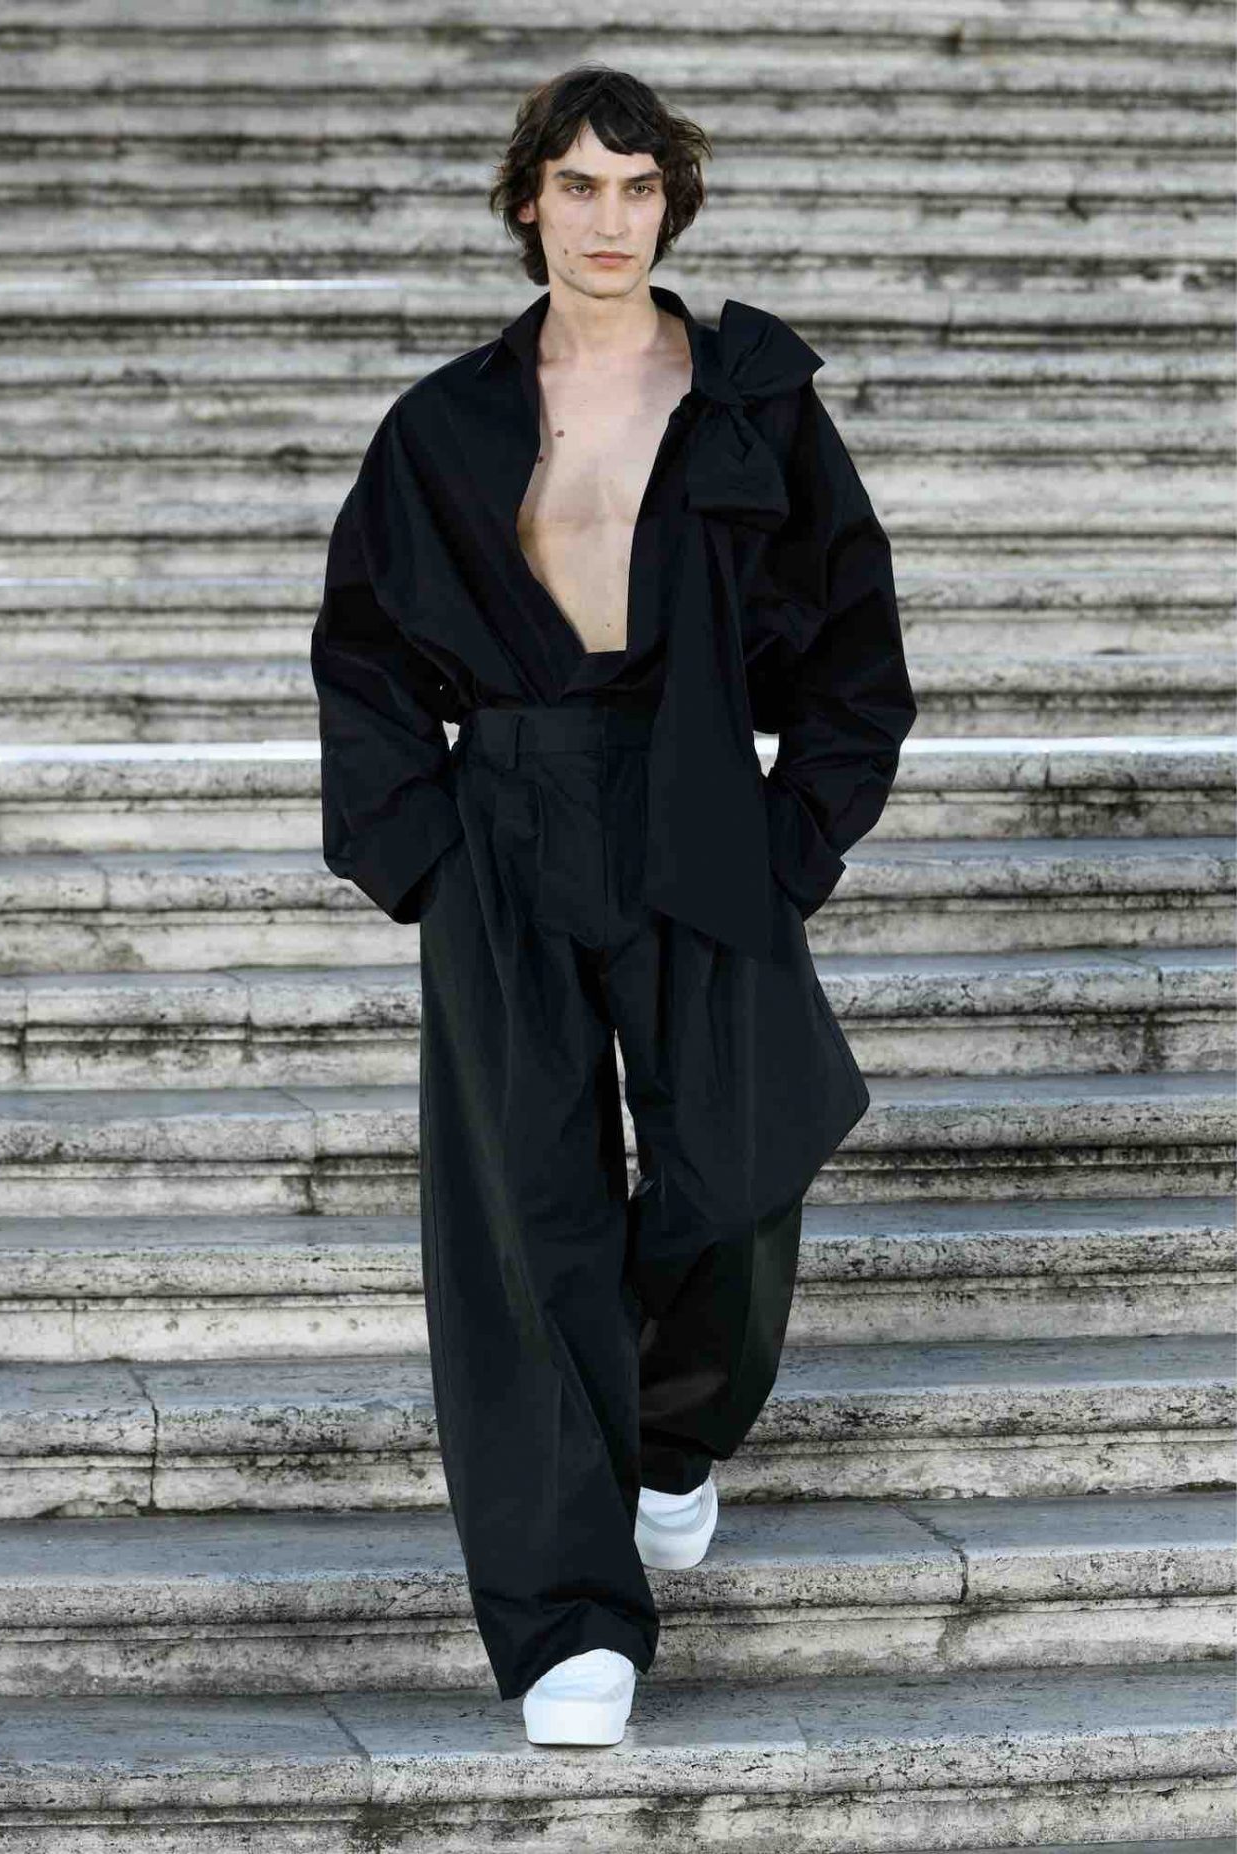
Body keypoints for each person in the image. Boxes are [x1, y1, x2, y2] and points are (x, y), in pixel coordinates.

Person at [310, 65, 917, 1748]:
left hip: (698, 801)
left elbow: (857, 651)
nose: (609, 217)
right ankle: (570, 1614)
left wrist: (796, 842)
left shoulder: (751, 404)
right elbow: (363, 648)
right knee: (525, 1209)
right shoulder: (443, 427)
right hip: (503, 813)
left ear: (672, 205)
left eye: (638, 187)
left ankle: (671, 1418)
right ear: (530, 203)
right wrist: (422, 850)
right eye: (577, 184)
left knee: (752, 1144)